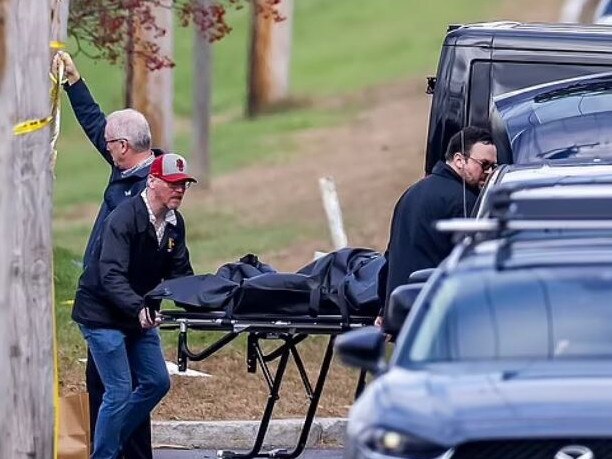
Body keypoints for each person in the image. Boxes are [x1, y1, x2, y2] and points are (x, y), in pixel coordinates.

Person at [54, 51, 164, 459]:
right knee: (105, 386)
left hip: (126, 302)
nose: (106, 146)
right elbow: (97, 124)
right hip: (101, 300)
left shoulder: (155, 186)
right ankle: (109, 449)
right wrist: (74, 83)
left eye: (110, 144)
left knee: (134, 386)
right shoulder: (126, 166)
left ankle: (119, 451)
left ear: (124, 147)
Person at [72, 153, 196, 459]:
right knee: (118, 390)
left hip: (137, 316)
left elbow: (181, 273)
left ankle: (110, 443)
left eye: (184, 185)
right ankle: (105, 454)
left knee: (156, 382)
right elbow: (110, 274)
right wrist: (139, 308)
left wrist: (209, 299)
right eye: (173, 184)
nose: (180, 190)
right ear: (152, 182)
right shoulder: (123, 218)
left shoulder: (174, 224)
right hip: (101, 315)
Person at [376, 126, 497, 325]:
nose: (489, 172)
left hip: (402, 310)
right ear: (460, 160)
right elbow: (471, 266)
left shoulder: (412, 192)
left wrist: (384, 308)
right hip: (437, 315)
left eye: (494, 166)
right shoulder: (464, 202)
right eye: (483, 165)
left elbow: (390, 256)